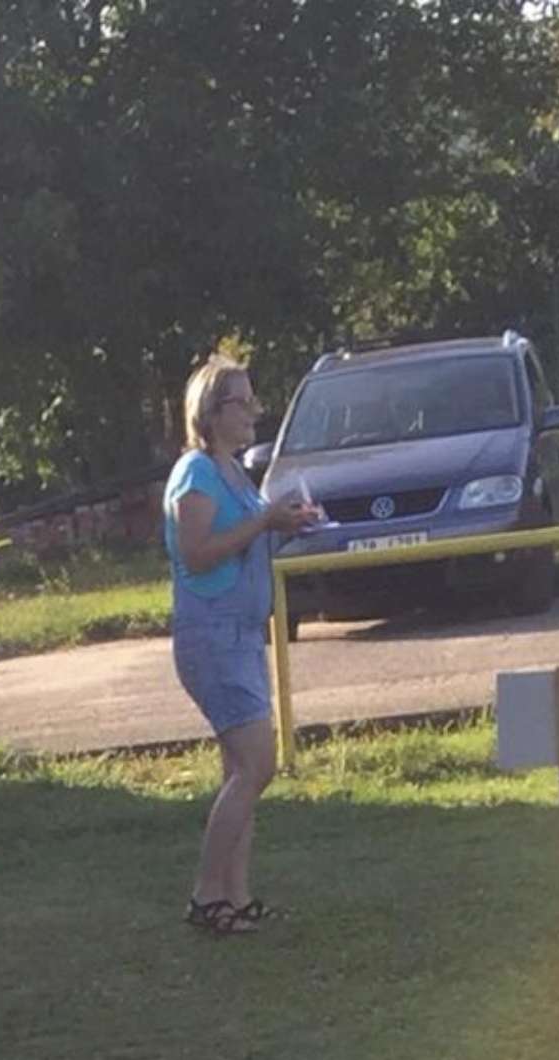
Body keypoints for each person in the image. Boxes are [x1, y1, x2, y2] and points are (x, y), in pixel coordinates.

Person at [164, 354, 321, 935]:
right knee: (258, 764)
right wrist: (263, 522)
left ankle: (236, 898)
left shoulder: (230, 470)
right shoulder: (196, 473)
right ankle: (207, 896)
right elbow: (198, 552)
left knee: (241, 770)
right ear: (211, 412)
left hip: (242, 635)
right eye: (242, 401)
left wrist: (287, 524)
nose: (255, 410)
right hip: (212, 638)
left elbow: (245, 539)